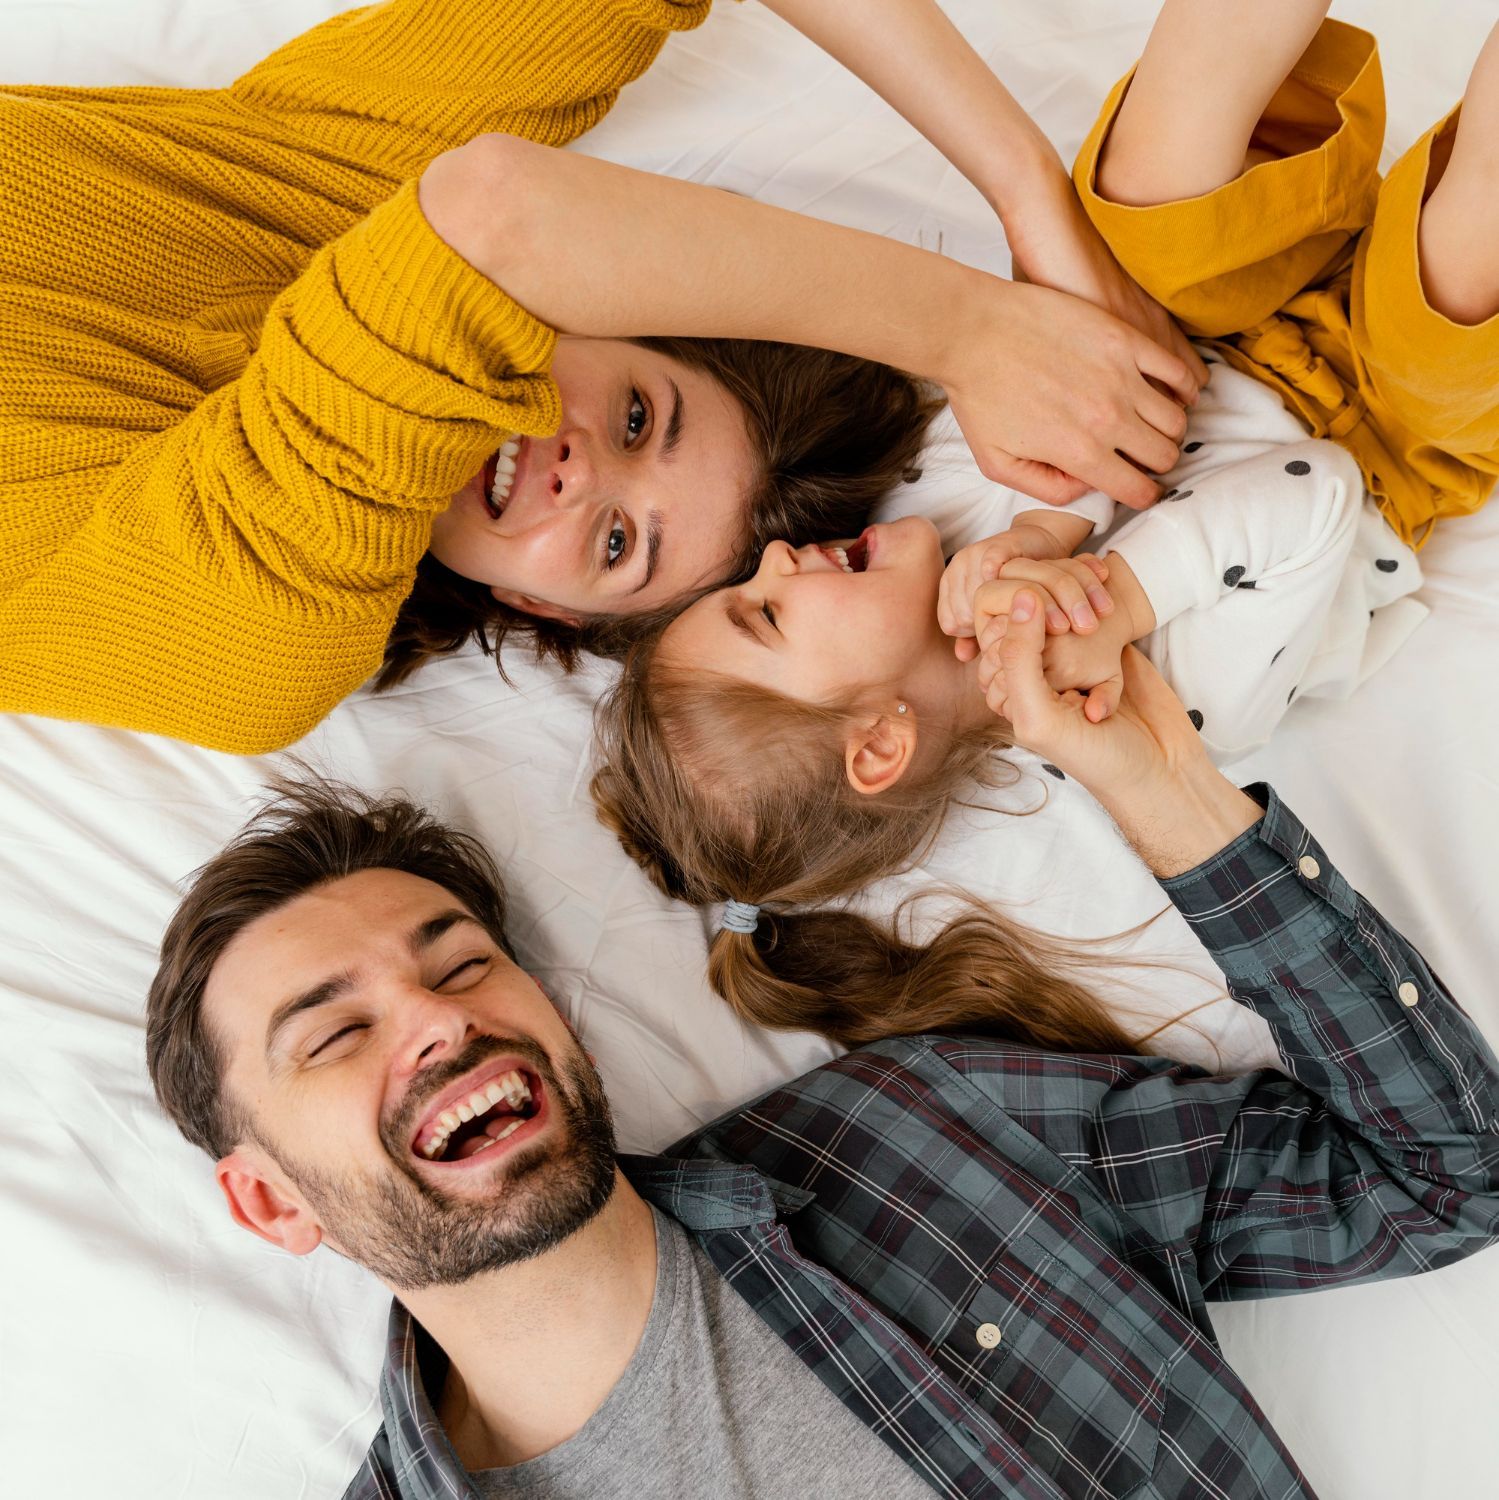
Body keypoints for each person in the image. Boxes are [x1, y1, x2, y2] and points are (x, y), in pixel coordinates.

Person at [144, 600, 1499, 1498]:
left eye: (461, 962)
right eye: (336, 1032)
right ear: (271, 1199)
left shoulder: (937, 1141)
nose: (440, 1017)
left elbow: (1443, 1175)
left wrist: (1162, 790)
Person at [589, 4, 1499, 1049]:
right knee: (1463, 274)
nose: (781, 559)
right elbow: (1315, 491)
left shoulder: (923, 534)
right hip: (1385, 424)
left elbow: (1066, 364)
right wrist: (1116, 602)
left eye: (743, 581)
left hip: (1198, 333)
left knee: (1142, 197)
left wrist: (1044, 532)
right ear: (879, 740)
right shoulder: (1135, 712)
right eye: (766, 616)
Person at [0, 0, 1206, 754]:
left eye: (618, 545)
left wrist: (973, 333)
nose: (582, 472)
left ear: (541, 609)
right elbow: (488, 221)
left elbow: (493, 216)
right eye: (637, 414)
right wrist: (1027, 197)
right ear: (601, 314)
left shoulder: (260, 630)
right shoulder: (348, 203)